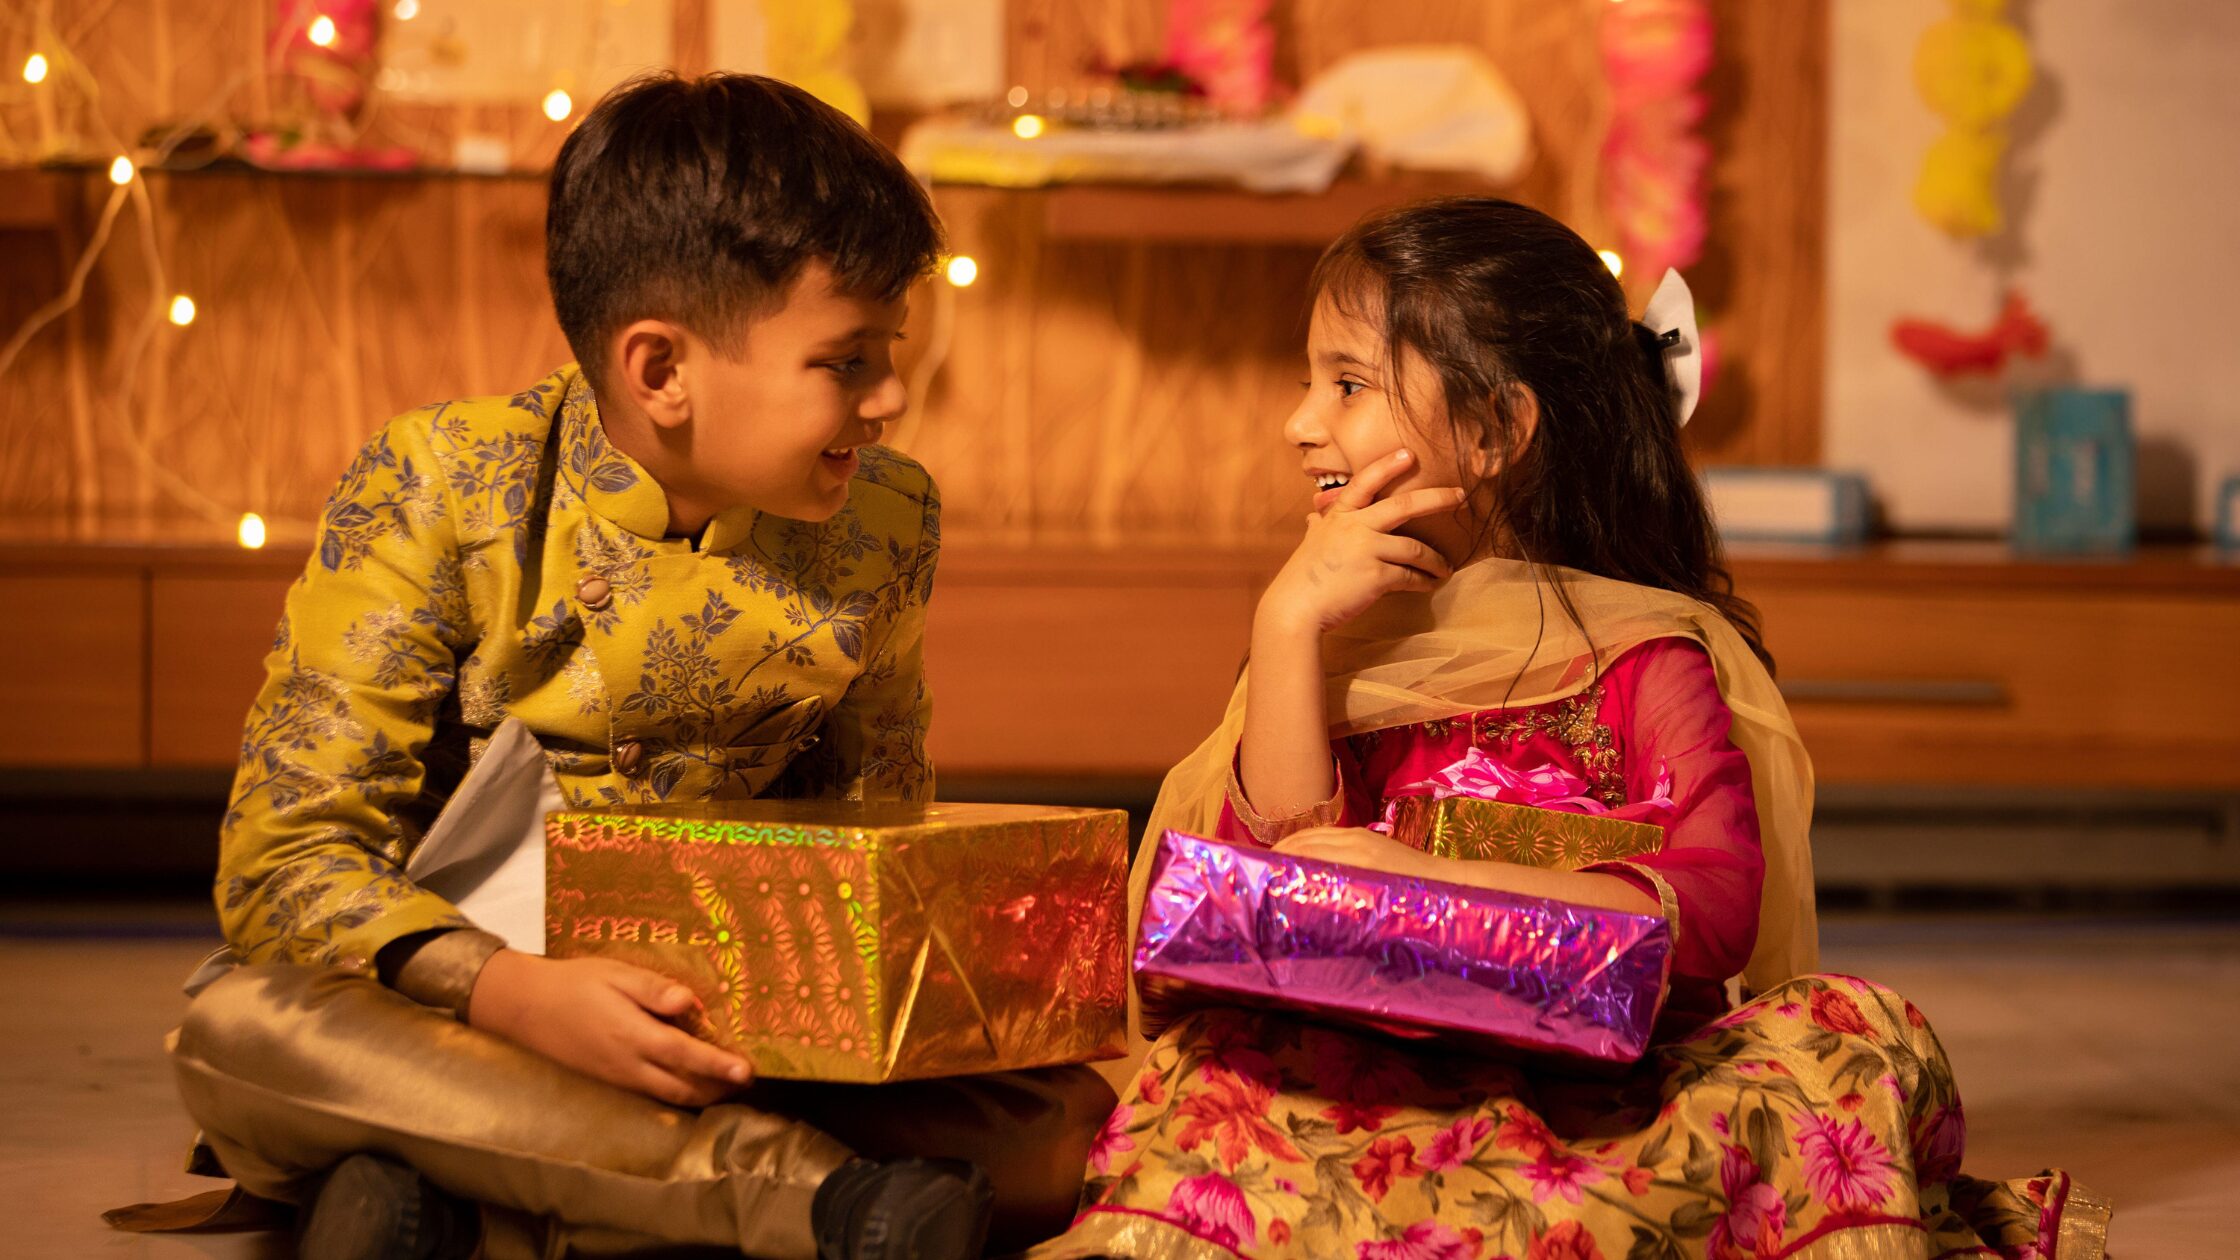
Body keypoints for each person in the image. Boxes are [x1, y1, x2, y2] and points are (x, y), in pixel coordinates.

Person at [1036, 198, 2107, 1260]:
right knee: (1212, 1066)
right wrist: (1284, 625)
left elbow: (1719, 910)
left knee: (1845, 1037)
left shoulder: (1647, 653)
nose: (1299, 421)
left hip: (1627, 1089)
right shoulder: (1339, 638)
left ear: (1499, 428)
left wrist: (1431, 891)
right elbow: (1270, 886)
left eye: (1349, 384)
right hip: (1388, 1071)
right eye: (1312, 380)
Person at [154, 72, 1111, 1260]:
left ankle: (459, 1195)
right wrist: (511, 993)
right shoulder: (445, 482)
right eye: (846, 359)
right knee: (236, 1031)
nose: (893, 399)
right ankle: (814, 1205)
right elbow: (283, 863)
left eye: (891, 351)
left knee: (1073, 1125)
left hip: (740, 1043)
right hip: (450, 1008)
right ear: (661, 370)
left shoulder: (885, 521)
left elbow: (881, 835)